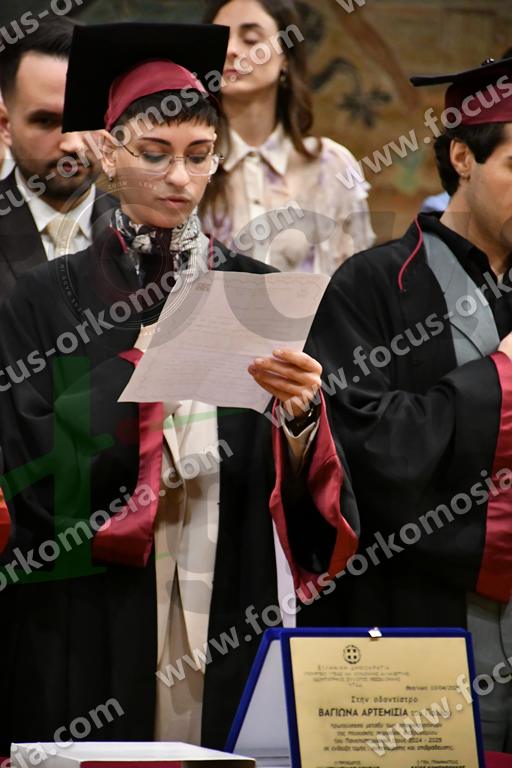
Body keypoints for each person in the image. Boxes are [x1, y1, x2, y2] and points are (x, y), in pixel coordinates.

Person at [0, 21, 359, 753]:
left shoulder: (254, 290)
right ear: (109, 152)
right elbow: (30, 466)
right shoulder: (43, 296)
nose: (179, 179)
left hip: (226, 571)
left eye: (199, 156)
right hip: (97, 593)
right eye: (155, 154)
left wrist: (300, 418)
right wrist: (142, 362)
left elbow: (297, 484)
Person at [310, 56, 512, 752]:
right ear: (462, 157)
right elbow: (368, 449)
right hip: (415, 609)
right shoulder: (369, 286)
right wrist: (501, 378)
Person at [200, 0, 375, 274]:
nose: (232, 50)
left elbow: (358, 282)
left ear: (286, 58)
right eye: (221, 39)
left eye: (251, 39)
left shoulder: (332, 165)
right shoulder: (190, 162)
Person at [0, 17, 116, 304]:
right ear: (5, 125)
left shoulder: (149, 231)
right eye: (45, 121)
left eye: (88, 117)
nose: (72, 144)